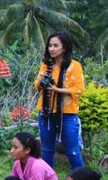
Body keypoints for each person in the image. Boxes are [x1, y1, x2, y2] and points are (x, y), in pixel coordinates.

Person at [33, 31, 85, 169]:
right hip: (46, 111)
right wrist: (41, 81)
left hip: (67, 113)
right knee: (47, 150)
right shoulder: (46, 64)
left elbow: (79, 89)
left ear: (64, 48)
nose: (52, 49)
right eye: (50, 45)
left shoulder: (75, 66)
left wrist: (57, 90)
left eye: (56, 45)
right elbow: (37, 86)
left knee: (72, 150)